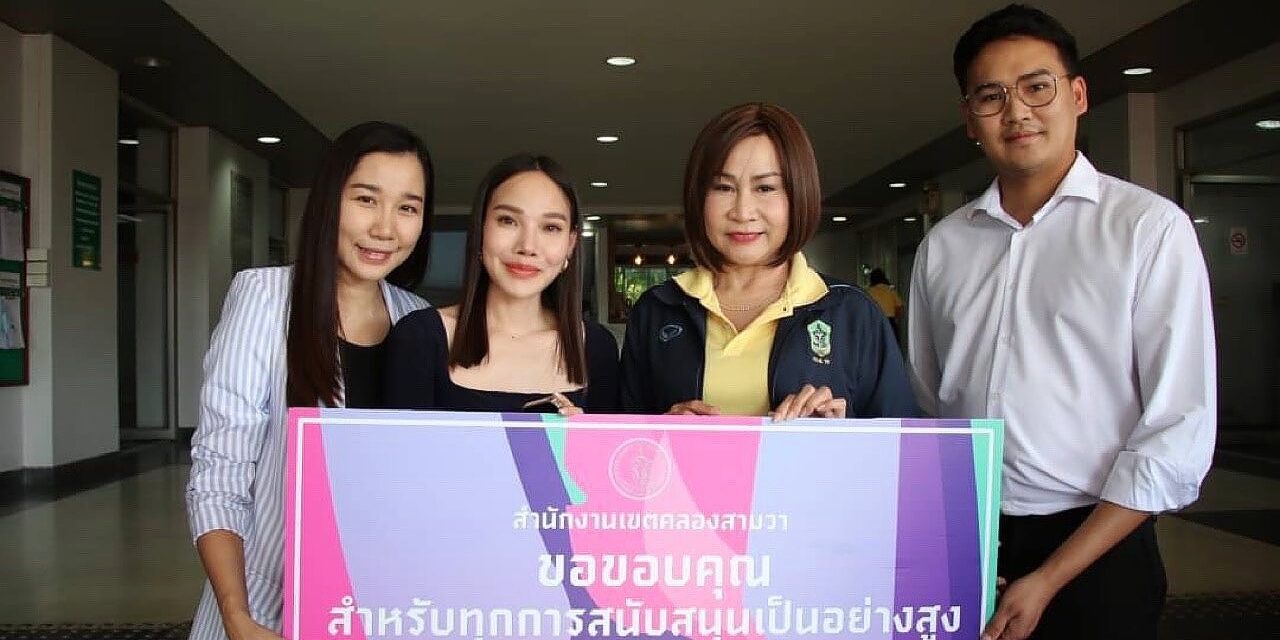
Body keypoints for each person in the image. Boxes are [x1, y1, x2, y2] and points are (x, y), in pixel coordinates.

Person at [908, 5, 1216, 639]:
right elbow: (929, 401)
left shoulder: (1148, 230)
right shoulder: (943, 246)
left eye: (1036, 87)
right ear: (969, 118)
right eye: (991, 96)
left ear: (1077, 95)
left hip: (1099, 546)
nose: (1016, 112)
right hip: (971, 539)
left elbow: (1177, 429)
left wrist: (1050, 577)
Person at [185, 122, 434, 640]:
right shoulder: (265, 297)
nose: (385, 228)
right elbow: (220, 472)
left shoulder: (419, 319)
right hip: (264, 607)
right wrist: (236, 615)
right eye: (366, 199)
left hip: (381, 605)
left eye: (407, 208)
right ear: (328, 200)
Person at [620, 102, 917, 420]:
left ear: (798, 196)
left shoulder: (852, 313)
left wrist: (839, 433)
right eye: (723, 187)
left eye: (765, 188)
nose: (742, 212)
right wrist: (660, 431)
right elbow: (615, 442)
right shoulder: (656, 310)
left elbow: (901, 445)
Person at [384, 153, 618, 414]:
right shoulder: (420, 337)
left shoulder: (597, 348)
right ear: (481, 229)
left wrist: (583, 436)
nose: (527, 246)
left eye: (550, 227)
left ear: (571, 244)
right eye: (508, 221)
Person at [866, 267, 904, 337]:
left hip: (875, 321)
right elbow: (899, 307)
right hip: (889, 321)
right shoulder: (890, 289)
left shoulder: (869, 292)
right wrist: (896, 318)